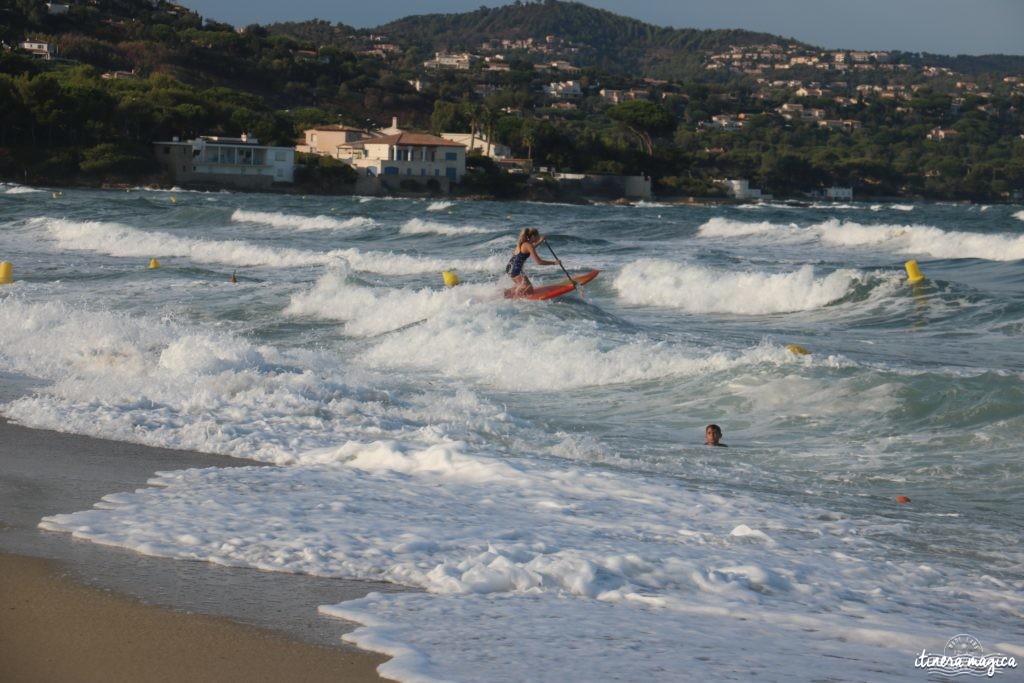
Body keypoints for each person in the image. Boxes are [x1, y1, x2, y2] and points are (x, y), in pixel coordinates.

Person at [506, 227, 560, 295]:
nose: (538, 237)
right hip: (516, 270)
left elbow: (530, 248)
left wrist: (540, 241)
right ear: (533, 236)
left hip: (510, 268)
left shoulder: (522, 243)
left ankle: (506, 293)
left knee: (524, 288)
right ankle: (507, 293)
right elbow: (539, 262)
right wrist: (554, 263)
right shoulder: (528, 245)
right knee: (529, 291)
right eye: (538, 236)